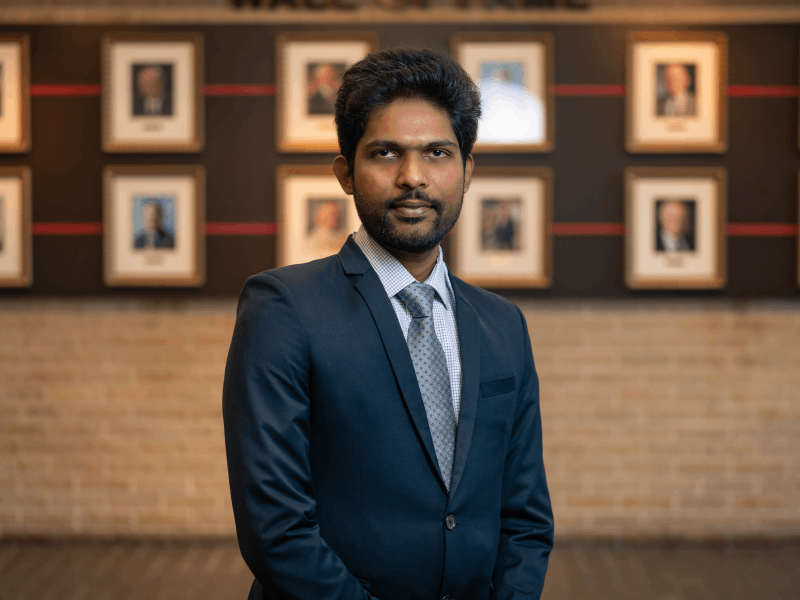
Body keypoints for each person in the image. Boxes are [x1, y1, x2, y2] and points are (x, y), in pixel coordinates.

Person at [223, 48, 553, 600]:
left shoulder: (502, 325)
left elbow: (525, 520)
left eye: (437, 153)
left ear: (468, 171)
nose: (412, 177)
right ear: (346, 174)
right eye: (385, 153)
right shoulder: (283, 309)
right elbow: (275, 527)